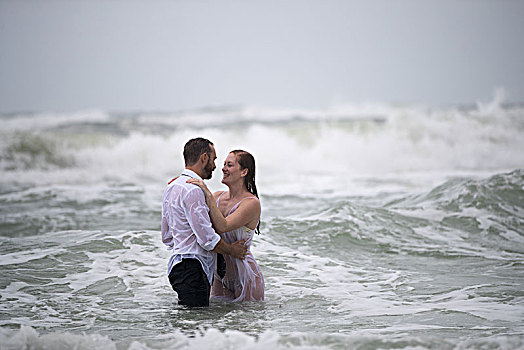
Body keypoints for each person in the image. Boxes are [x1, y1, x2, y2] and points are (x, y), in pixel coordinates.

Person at [161, 138, 248, 307]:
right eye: (214, 159)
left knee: (190, 326)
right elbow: (208, 240)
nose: (216, 166)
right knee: (195, 329)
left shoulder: (171, 187)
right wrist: (232, 250)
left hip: (178, 266)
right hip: (192, 269)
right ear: (204, 158)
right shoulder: (194, 190)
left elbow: (167, 236)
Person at [187, 150, 264, 302]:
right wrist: (179, 183)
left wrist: (207, 194)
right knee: (218, 324)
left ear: (244, 172)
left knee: (247, 324)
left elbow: (223, 226)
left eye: (229, 165)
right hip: (219, 274)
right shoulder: (216, 197)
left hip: (245, 274)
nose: (223, 169)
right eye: (224, 164)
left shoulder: (251, 203)